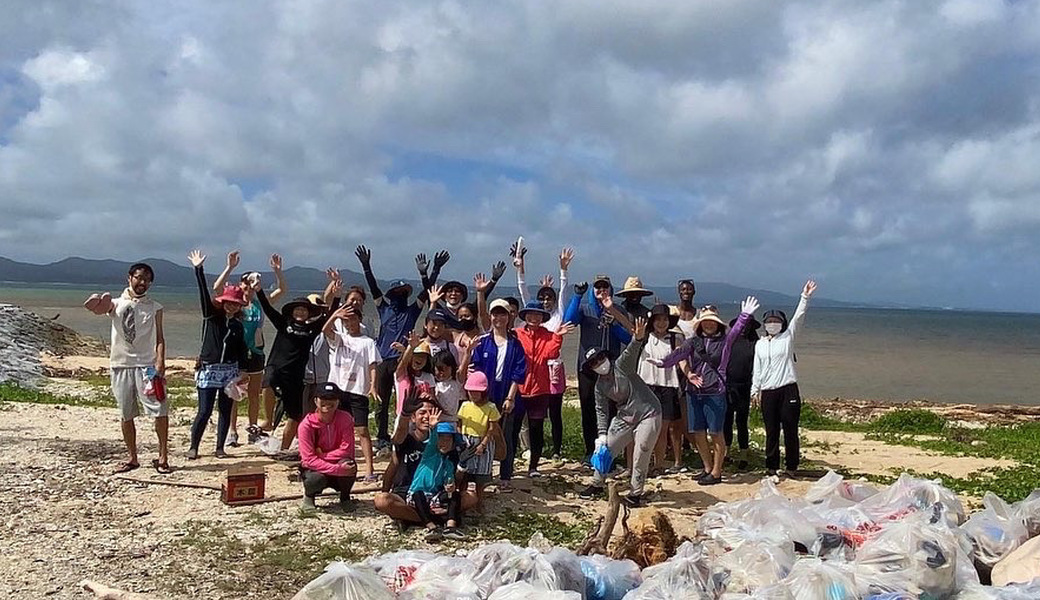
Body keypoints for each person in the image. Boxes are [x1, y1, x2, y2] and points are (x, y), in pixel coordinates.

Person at [653, 297, 760, 485]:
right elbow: (678, 355)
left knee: (716, 432)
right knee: (698, 432)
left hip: (715, 392)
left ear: (717, 323)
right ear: (700, 323)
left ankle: (717, 472)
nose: (709, 324)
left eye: (712, 321)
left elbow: (735, 331)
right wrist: (662, 363)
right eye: (705, 321)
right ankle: (707, 468)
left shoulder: (725, 341)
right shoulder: (693, 341)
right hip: (694, 392)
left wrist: (744, 316)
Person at [354, 246, 447, 453]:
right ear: (391, 295)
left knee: (407, 397)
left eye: (403, 293)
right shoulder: (383, 308)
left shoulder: (412, 311)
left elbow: (426, 292)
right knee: (382, 400)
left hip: (402, 361)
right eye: (397, 293)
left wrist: (434, 270)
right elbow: (374, 288)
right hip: (382, 360)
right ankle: (382, 436)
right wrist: (366, 265)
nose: (400, 295)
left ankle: (411, 432)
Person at [83, 262, 169, 473]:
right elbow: (99, 308)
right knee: (126, 413)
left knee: (160, 409)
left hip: (147, 366)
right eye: (138, 277)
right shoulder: (115, 303)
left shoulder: (155, 307)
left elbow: (160, 337)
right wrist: (95, 303)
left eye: (147, 279)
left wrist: (160, 361)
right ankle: (132, 458)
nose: (142, 282)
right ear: (129, 278)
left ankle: (163, 457)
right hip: (121, 364)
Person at [579, 317, 663, 507]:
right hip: (625, 416)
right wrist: (602, 435)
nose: (599, 363)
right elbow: (601, 410)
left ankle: (635, 493)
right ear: (591, 368)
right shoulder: (600, 386)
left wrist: (638, 338)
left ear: (606, 357)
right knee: (607, 448)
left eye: (600, 358)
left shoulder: (622, 366)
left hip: (649, 413)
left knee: (641, 451)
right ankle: (597, 483)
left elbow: (631, 351)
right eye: (594, 363)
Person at [256, 272, 340, 451]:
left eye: (304, 310)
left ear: (308, 313)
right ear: (292, 312)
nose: (300, 312)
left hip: (295, 377)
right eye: (297, 309)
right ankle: (268, 419)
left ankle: (284, 449)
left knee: (295, 415)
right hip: (276, 367)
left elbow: (329, 315)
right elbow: (267, 308)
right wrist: (259, 290)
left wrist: (337, 296)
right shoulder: (283, 324)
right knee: (268, 381)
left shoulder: (312, 330)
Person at [211, 251, 288, 445]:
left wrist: (278, 271)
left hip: (255, 353)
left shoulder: (260, 303)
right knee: (233, 393)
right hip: (234, 353)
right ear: (240, 284)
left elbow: (282, 290)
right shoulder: (233, 303)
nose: (249, 286)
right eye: (246, 282)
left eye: (253, 283)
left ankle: (253, 429)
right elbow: (217, 288)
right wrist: (230, 267)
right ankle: (232, 431)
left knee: (254, 393)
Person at [373, 394, 478, 532]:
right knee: (382, 500)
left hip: (435, 495)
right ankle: (434, 518)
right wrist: (404, 415)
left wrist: (460, 470)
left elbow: (454, 479)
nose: (427, 417)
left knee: (471, 498)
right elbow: (396, 450)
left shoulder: (446, 441)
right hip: (406, 493)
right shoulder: (407, 439)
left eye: (431, 412)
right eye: (422, 413)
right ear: (413, 417)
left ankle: (415, 518)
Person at [563, 276, 635, 462]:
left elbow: (628, 338)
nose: (602, 290)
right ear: (592, 290)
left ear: (611, 289)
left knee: (611, 410)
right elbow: (568, 322)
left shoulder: (618, 310)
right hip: (587, 367)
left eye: (605, 286)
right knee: (588, 409)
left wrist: (613, 324)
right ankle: (590, 451)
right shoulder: (584, 309)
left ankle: (611, 451)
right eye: (598, 287)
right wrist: (577, 296)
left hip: (611, 369)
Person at [186, 250, 249, 459]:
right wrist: (199, 269)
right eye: (229, 302)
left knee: (225, 409)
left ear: (239, 306)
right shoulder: (211, 317)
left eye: (235, 303)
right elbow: (203, 293)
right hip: (209, 368)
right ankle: (193, 447)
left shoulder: (238, 326)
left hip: (229, 371)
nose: (232, 306)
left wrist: (243, 371)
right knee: (204, 411)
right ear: (222, 301)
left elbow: (242, 350)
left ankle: (220, 448)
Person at [513, 246, 574, 460]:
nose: (546, 301)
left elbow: (564, 292)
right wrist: (520, 268)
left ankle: (556, 451)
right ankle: (526, 450)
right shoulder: (532, 318)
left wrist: (563, 269)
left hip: (553, 369)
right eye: (543, 298)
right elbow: (523, 291)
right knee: (526, 413)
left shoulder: (558, 315)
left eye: (549, 297)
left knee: (554, 412)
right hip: (533, 371)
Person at [752, 280, 817, 476]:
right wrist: (755, 390)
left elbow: (799, 317)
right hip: (768, 392)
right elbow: (757, 368)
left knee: (790, 429)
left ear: (782, 324)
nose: (773, 324)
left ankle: (791, 466)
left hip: (788, 389)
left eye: (776, 321)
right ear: (765, 324)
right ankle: (771, 467)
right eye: (769, 321)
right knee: (771, 431)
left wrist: (805, 297)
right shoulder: (760, 344)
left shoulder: (788, 337)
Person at [469, 295, 527, 489]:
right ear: (490, 316)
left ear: (509, 317)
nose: (498, 318)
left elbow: (519, 372)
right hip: (486, 393)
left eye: (503, 314)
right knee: (482, 433)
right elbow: (476, 368)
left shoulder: (516, 344)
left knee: (506, 435)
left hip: (507, 393)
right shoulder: (483, 342)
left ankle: (505, 475)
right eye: (495, 314)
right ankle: (481, 474)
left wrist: (511, 397)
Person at [513, 301, 574, 477]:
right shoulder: (516, 334)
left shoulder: (548, 335)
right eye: (531, 314)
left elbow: (551, 354)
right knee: (513, 428)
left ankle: (533, 467)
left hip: (540, 389)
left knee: (536, 429)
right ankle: (508, 465)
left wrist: (558, 337)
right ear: (525, 316)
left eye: (538, 315)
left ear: (542, 318)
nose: (534, 318)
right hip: (518, 388)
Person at [323, 305, 381, 481]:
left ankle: (369, 469)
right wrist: (335, 315)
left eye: (353, 319)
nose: (349, 324)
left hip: (358, 390)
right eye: (346, 321)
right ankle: (339, 464)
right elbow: (325, 330)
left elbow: (373, 364)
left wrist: (373, 385)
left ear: (359, 320)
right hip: (338, 389)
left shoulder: (367, 342)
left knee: (362, 430)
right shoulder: (340, 338)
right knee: (337, 428)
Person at [638, 304, 685, 475]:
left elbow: (681, 358)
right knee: (646, 428)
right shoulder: (644, 336)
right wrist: (610, 308)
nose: (661, 323)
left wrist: (689, 373)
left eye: (665, 319)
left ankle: (658, 464)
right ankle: (643, 463)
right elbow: (626, 325)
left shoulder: (674, 339)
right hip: (646, 386)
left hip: (668, 386)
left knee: (662, 429)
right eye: (658, 319)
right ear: (652, 321)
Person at [298, 382, 357, 511]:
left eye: (332, 399)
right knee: (315, 478)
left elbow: (347, 450)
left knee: (350, 465)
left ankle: (345, 497)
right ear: (315, 401)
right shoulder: (306, 425)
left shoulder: (346, 418)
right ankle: (309, 496)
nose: (328, 402)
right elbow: (308, 460)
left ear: (338, 401)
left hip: (331, 461)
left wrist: (322, 456)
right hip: (317, 468)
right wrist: (336, 469)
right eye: (323, 398)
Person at [408, 420, 465, 541]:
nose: (444, 442)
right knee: (418, 494)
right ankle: (432, 527)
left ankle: (450, 527)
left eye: (448, 439)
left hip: (434, 496)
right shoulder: (429, 454)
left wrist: (450, 487)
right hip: (418, 494)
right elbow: (432, 443)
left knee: (455, 495)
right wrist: (433, 428)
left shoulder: (449, 464)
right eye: (441, 438)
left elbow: (449, 481)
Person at [456, 371, 502, 508]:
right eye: (471, 391)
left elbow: (492, 428)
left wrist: (484, 443)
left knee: (481, 476)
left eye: (477, 392)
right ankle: (462, 500)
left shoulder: (490, 407)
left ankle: (480, 501)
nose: (473, 394)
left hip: (483, 441)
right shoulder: (465, 405)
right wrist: (461, 439)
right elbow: (459, 423)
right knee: (465, 473)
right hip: (467, 441)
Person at [725, 314, 760, 471]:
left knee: (741, 422)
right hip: (727, 385)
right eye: (742, 324)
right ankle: (726, 452)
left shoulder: (755, 343)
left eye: (748, 325)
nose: (745, 327)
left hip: (745, 386)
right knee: (726, 421)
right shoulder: (729, 341)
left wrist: (757, 389)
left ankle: (743, 454)